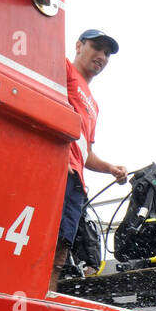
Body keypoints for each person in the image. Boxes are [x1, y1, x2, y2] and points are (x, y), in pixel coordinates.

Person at [57, 29, 127, 289]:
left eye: (107, 53)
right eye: (96, 47)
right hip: (56, 171)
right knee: (44, 238)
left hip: (77, 182)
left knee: (63, 244)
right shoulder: (62, 68)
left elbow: (85, 152)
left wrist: (109, 167)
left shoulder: (94, 105)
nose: (102, 56)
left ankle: (45, 298)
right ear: (78, 46)